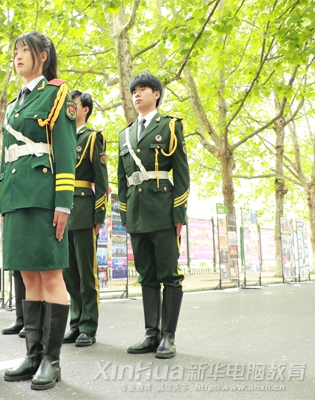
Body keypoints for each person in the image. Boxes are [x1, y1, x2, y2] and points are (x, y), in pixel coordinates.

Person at [0, 31, 76, 390]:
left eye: (24, 50)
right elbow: (7, 156)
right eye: (15, 51)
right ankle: (33, 355)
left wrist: (63, 202)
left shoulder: (57, 94)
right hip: (17, 197)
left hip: (44, 196)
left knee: (50, 276)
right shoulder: (14, 104)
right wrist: (2, 200)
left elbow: (65, 151)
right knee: (29, 277)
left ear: (42, 56)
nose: (17, 56)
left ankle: (51, 360)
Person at [117, 72, 190, 359]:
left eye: (143, 89)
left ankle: (168, 337)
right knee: (146, 274)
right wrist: (125, 213)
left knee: (169, 274)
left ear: (156, 94)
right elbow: (122, 179)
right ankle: (151, 334)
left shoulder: (170, 126)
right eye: (134, 91)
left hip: (162, 211)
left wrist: (179, 212)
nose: (137, 94)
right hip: (136, 213)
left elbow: (181, 173)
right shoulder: (124, 134)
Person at [62, 90, 108, 347]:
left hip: (83, 211)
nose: (70, 108)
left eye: (74, 104)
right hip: (64, 212)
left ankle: (88, 327)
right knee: (70, 274)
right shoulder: (62, 138)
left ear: (85, 109)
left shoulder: (92, 138)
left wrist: (98, 215)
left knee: (86, 274)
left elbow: (101, 181)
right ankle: (76, 322)